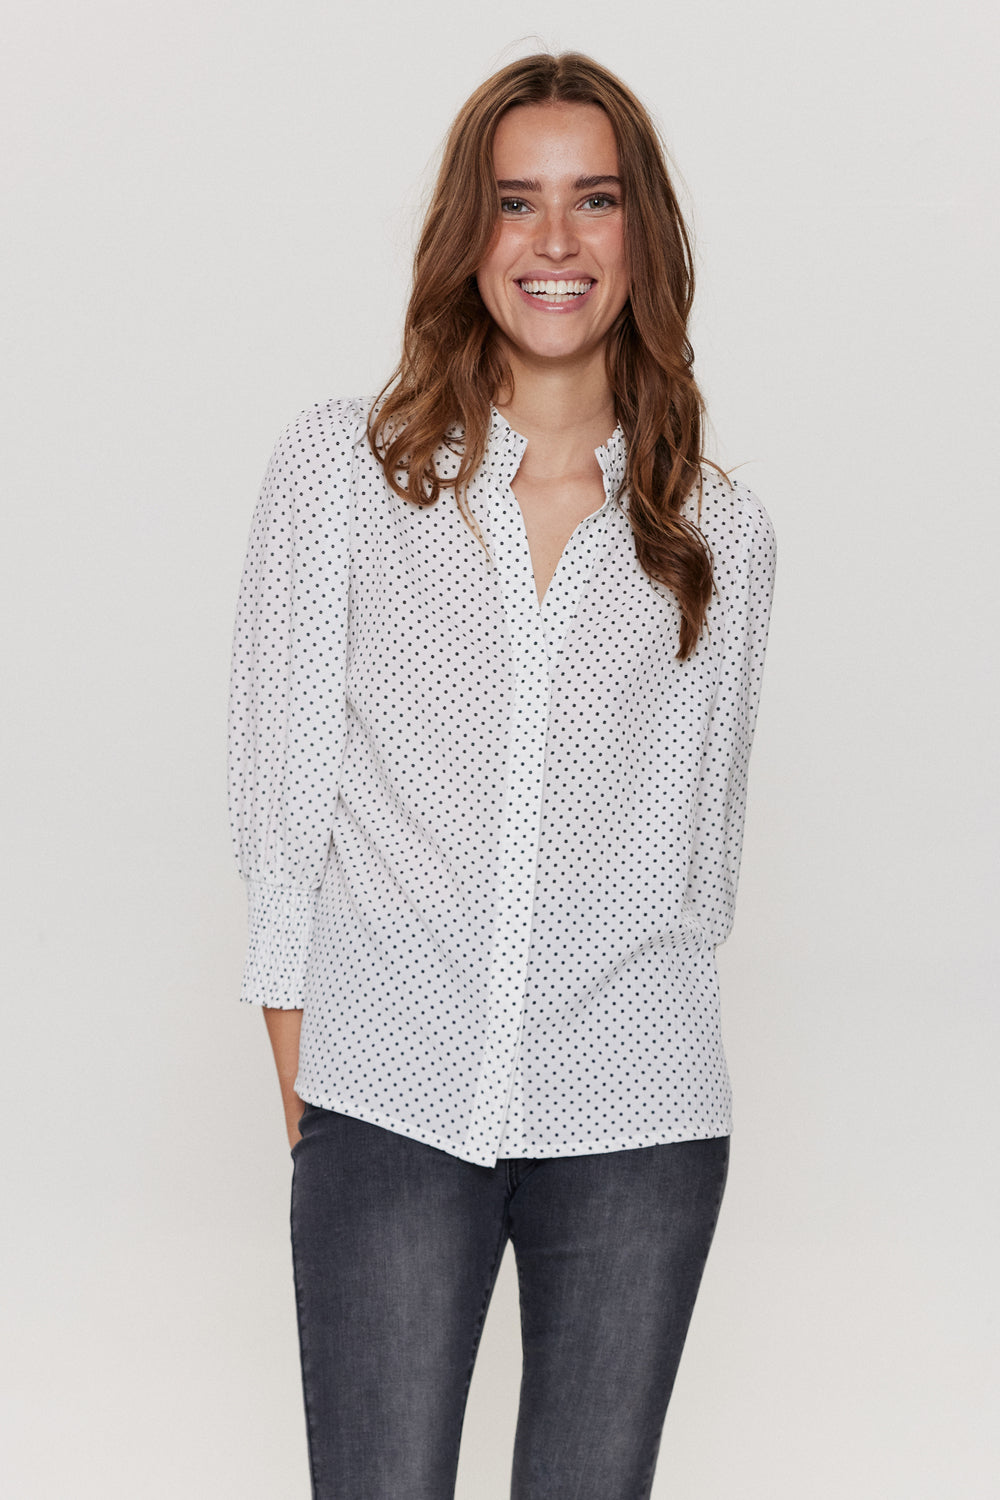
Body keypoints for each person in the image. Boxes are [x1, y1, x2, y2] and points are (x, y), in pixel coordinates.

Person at [227, 49, 776, 1500]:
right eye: (516, 202)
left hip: (640, 1119)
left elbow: (703, 868)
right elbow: (280, 810)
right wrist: (318, 1090)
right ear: (468, 237)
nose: (554, 241)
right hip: (388, 1101)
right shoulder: (342, 477)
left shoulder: (718, 534)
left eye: (594, 200)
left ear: (642, 234)